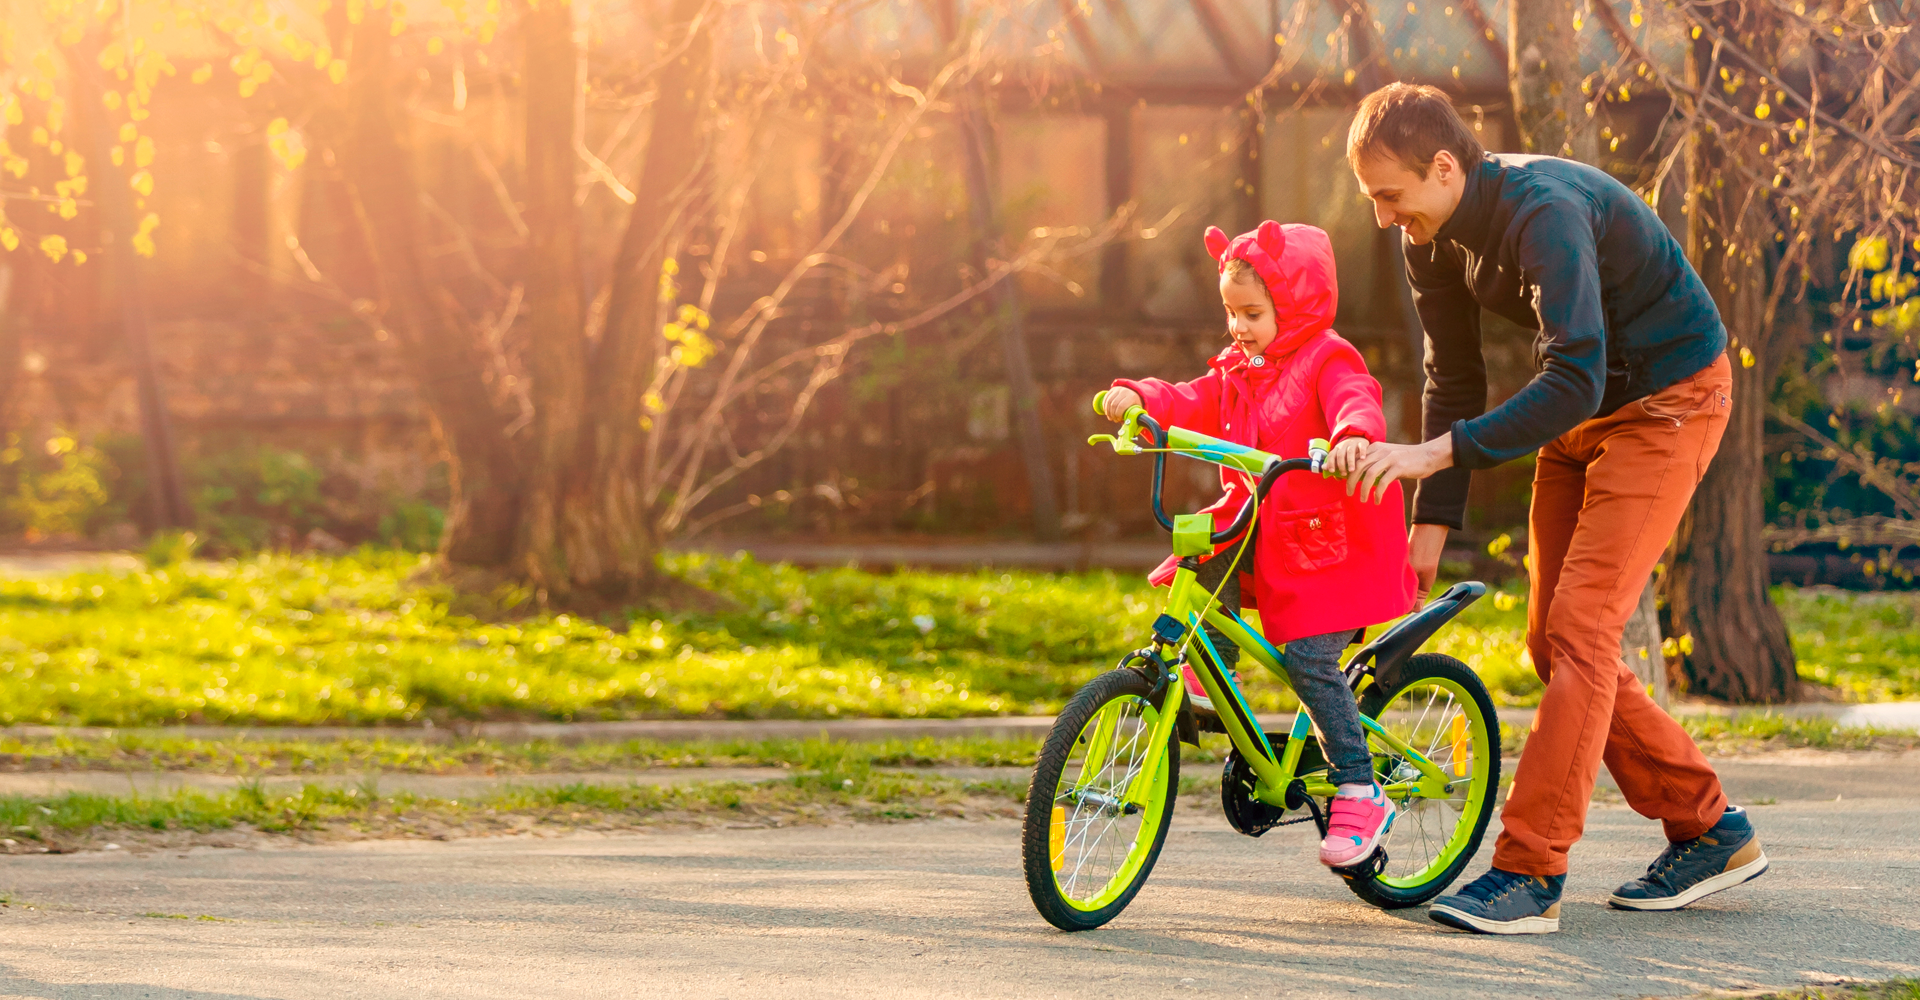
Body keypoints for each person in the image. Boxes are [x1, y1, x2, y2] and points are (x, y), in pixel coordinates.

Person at [1339, 83, 1767, 934]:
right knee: (1551, 641)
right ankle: (1711, 828)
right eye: (1372, 201)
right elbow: (1452, 378)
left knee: (1583, 630)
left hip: (1668, 400)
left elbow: (1572, 371)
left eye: (1390, 196)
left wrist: (1432, 456)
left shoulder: (1546, 212)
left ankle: (1530, 872)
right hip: (1582, 411)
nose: (1384, 218)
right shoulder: (1430, 236)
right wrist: (1430, 523)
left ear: (1445, 167)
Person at [1102, 220, 1418, 869]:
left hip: (1333, 550)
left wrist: (1354, 436)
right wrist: (1139, 399)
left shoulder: (1328, 358)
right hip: (1266, 528)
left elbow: (1356, 397)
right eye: (1231, 313)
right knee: (1204, 556)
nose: (1239, 327)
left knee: (1307, 659)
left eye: (1253, 312)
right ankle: (1205, 674)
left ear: (1294, 305)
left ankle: (1359, 787)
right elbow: (1190, 398)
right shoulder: (1237, 370)